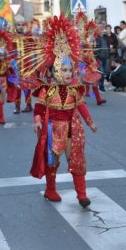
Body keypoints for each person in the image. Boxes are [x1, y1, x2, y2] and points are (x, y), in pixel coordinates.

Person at [25, 14, 98, 208]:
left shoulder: (75, 89)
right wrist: (38, 121)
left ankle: (81, 195)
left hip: (72, 128)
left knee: (76, 159)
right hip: (52, 128)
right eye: (63, 70)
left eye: (69, 70)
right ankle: (50, 189)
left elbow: (81, 105)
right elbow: (39, 108)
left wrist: (90, 122)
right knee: (53, 160)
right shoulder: (47, 89)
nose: (67, 74)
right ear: (56, 71)